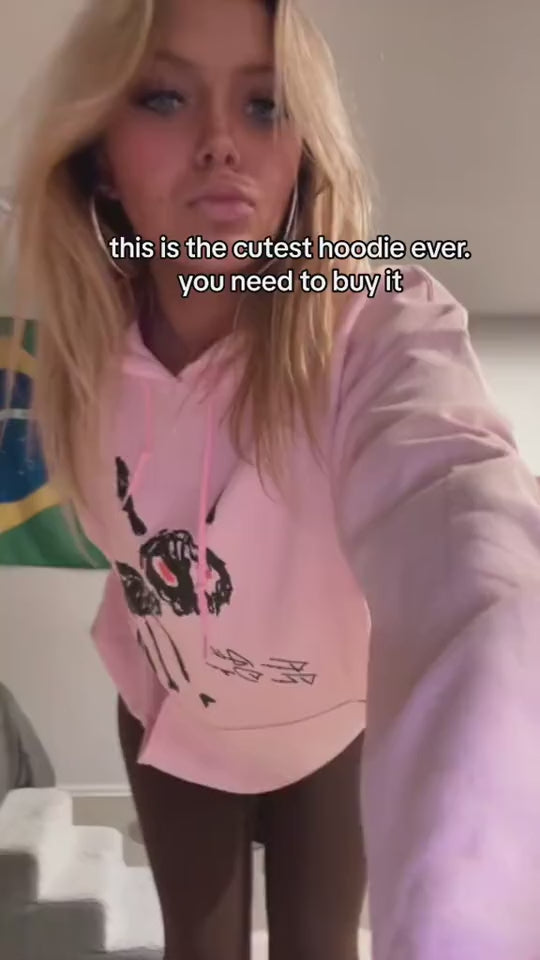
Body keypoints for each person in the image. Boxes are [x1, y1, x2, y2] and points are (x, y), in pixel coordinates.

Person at [6, 0, 540, 957]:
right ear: (101, 158)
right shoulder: (79, 333)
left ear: (303, 152)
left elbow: (464, 518)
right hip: (171, 724)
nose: (221, 142)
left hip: (328, 740)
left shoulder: (373, 325)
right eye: (165, 97)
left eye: (265, 105)